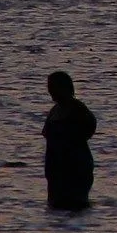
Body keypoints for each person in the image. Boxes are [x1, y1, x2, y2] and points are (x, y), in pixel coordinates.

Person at [41, 71, 97, 210]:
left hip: (76, 167)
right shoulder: (54, 111)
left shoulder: (77, 108)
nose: (50, 91)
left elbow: (90, 126)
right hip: (56, 170)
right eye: (49, 87)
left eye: (53, 87)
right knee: (56, 206)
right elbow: (46, 134)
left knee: (76, 204)